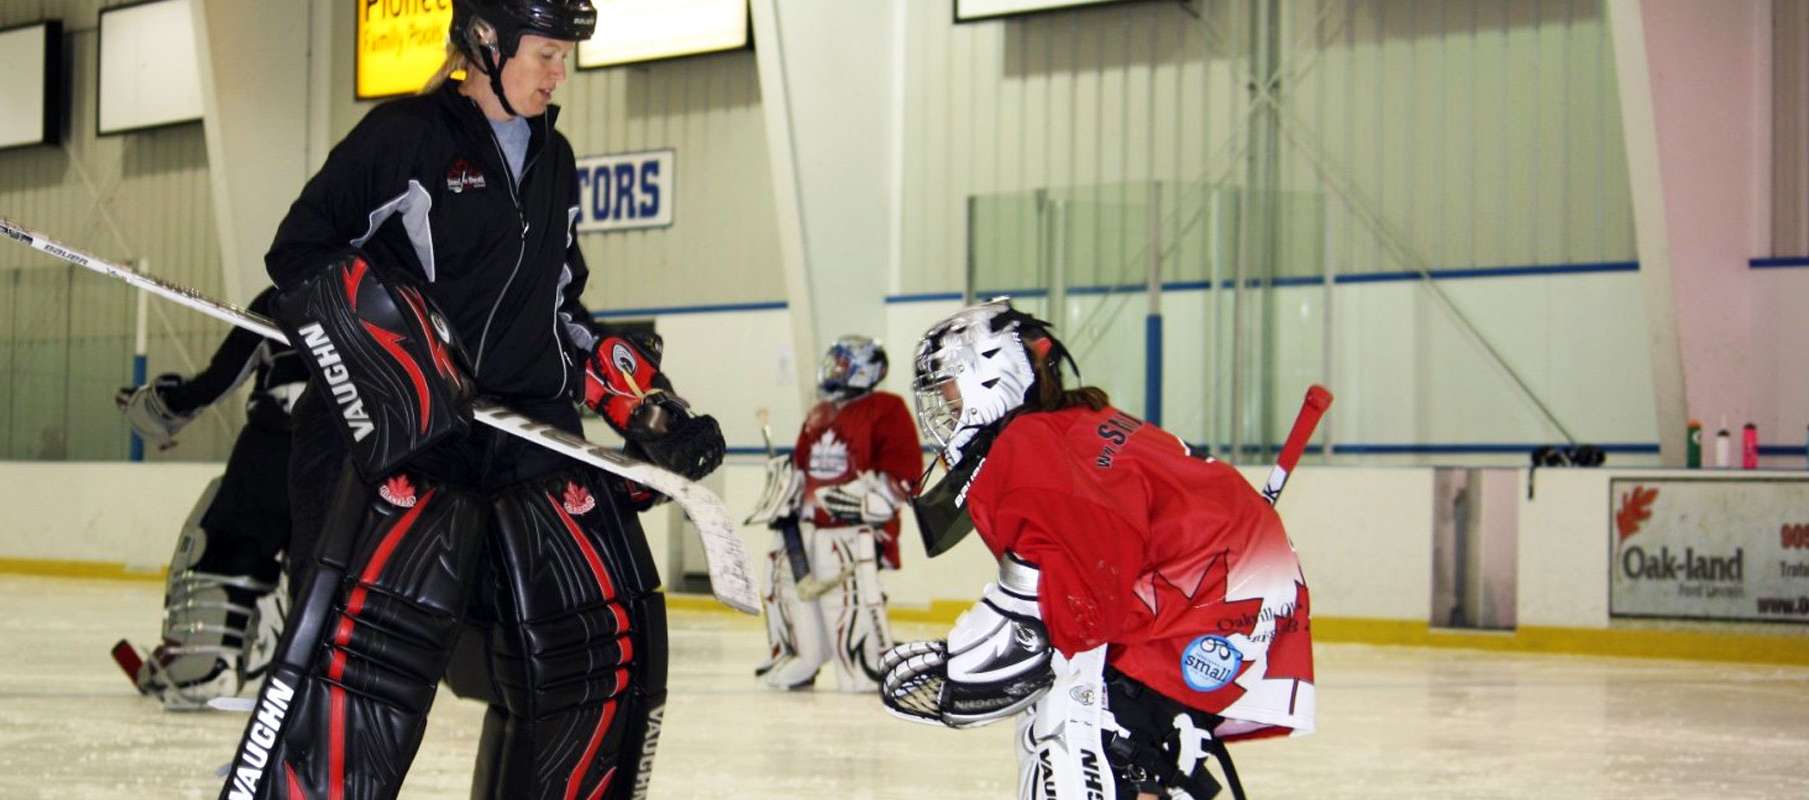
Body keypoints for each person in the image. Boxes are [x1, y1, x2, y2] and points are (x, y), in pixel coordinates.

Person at [214, 2, 725, 798]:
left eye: (566, 58)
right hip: (404, 426)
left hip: (516, 429)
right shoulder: (405, 138)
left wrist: (650, 409)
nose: (561, 75)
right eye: (548, 54)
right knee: (366, 662)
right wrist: (407, 353)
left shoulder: (555, 159)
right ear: (487, 42)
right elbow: (301, 256)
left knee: (585, 653)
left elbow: (562, 312)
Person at [880, 299, 1314, 800]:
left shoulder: (1031, 445)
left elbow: (1061, 615)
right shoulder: (1073, 424)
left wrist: (959, 668)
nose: (942, 409)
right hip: (1233, 611)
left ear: (990, 375)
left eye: (949, 388)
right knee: (1120, 717)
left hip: (1204, 613)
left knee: (1072, 710)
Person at [113, 286, 303, 710]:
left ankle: (209, 662)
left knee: (221, 545)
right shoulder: (389, 298)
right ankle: (306, 658)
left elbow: (220, 378)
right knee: (322, 565)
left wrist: (162, 406)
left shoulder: (286, 298)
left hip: (275, 450)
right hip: (351, 464)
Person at [746, 335, 923, 692]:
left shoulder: (887, 407)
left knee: (844, 596)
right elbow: (801, 465)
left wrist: (865, 500)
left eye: (841, 364)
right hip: (808, 527)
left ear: (866, 370)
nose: (833, 371)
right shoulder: (820, 410)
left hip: (851, 531)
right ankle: (802, 655)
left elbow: (903, 473)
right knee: (783, 584)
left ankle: (862, 664)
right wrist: (785, 497)